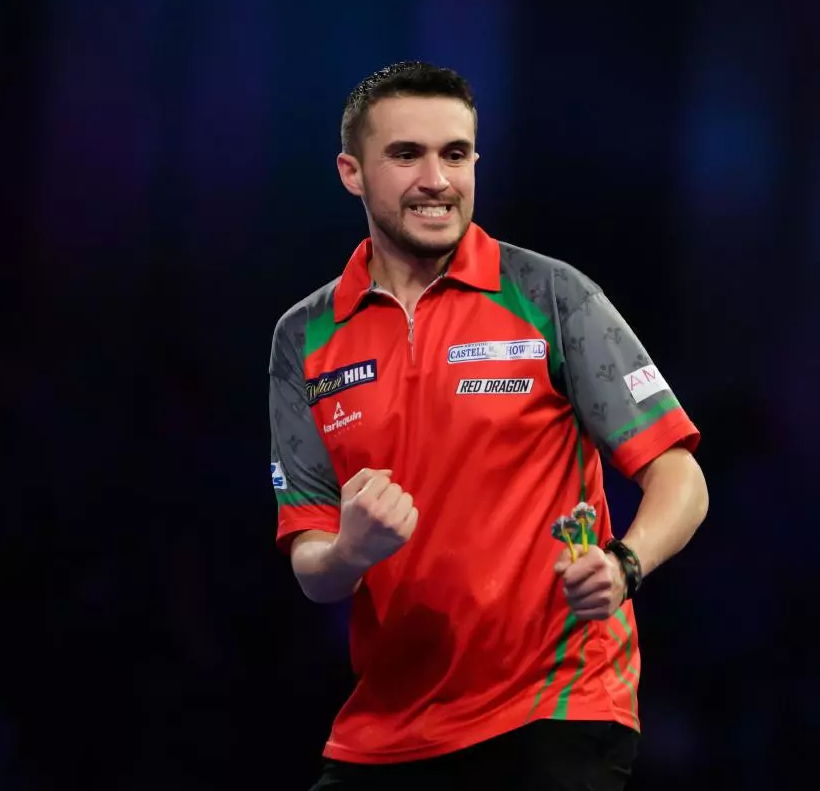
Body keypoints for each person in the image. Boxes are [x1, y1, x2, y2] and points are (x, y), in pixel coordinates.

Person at [268, 61, 709, 791]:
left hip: (554, 706)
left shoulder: (549, 295)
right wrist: (350, 548)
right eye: (406, 154)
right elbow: (312, 565)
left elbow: (680, 476)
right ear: (352, 171)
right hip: (387, 725)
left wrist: (625, 565)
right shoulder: (305, 336)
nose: (437, 179)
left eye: (456, 153)